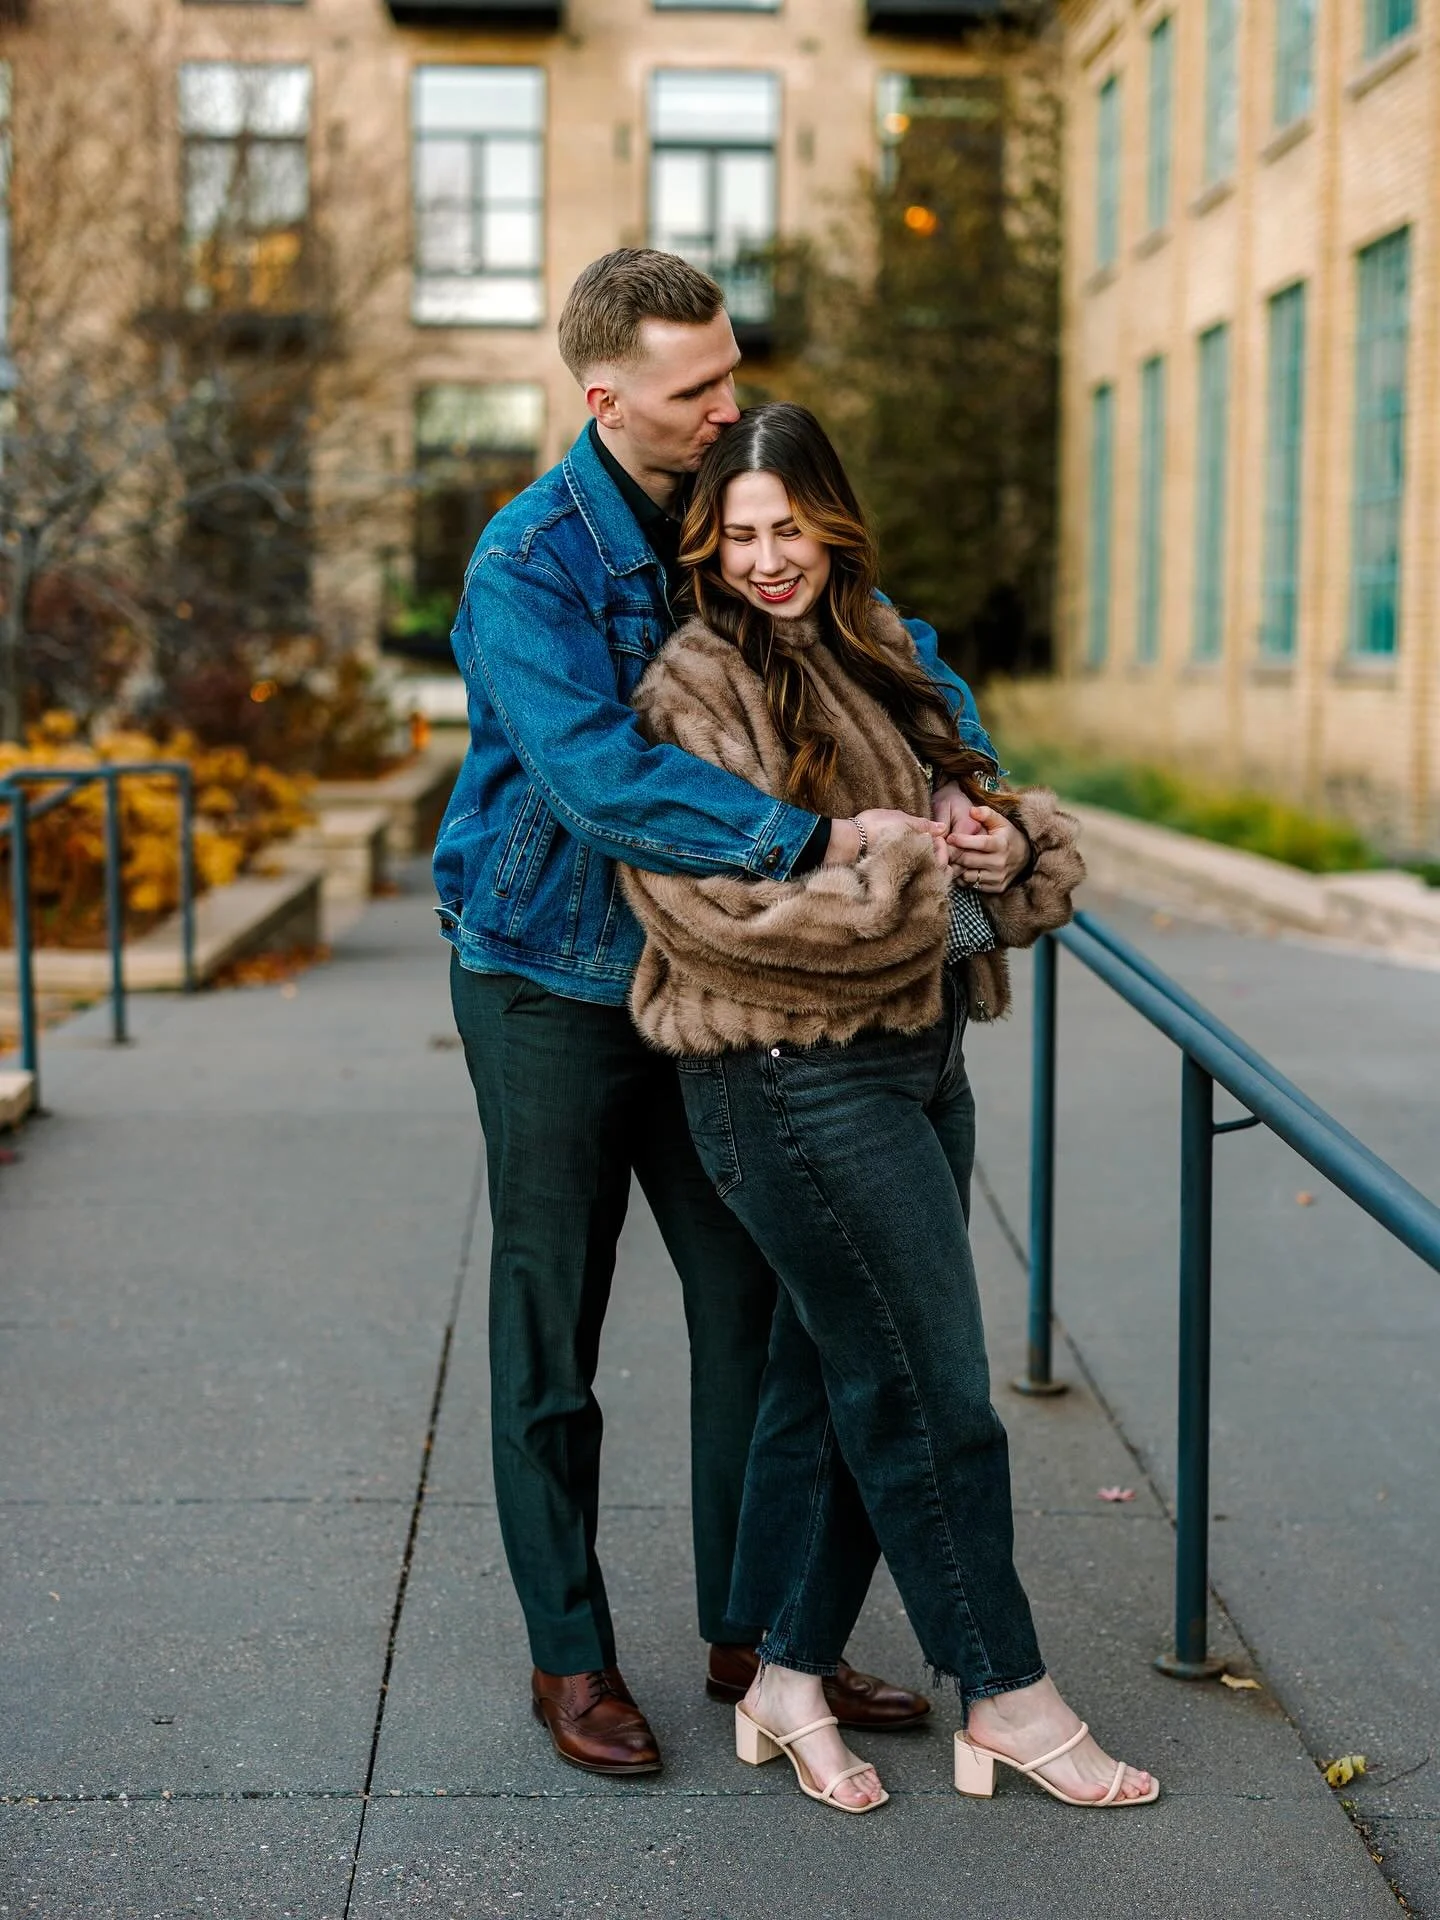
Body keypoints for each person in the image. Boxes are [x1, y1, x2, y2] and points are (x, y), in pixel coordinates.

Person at [434, 251, 1008, 1775]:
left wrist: (964, 789)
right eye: (699, 390)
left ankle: (757, 1645)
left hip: (711, 985)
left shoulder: (725, 508)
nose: (727, 408)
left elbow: (893, 648)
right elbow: (598, 780)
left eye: (733, 375)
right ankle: (570, 1656)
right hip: (549, 980)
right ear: (604, 395)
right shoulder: (530, 563)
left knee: (751, 1318)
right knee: (548, 1327)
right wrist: (814, 843)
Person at [620, 401, 1159, 1815]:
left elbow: (959, 818)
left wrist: (992, 834)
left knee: (834, 1384)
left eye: (786, 527)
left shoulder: (882, 647)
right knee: (932, 1398)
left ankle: (787, 1677)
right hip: (790, 1082)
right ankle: (1010, 1695)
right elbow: (705, 910)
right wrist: (919, 880)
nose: (764, 558)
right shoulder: (691, 688)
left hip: (917, 1063)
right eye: (735, 535)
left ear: (831, 519)